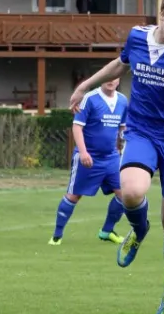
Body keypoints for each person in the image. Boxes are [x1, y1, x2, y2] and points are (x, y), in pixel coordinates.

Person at [68, 0, 164, 314]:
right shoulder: (137, 36)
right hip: (142, 131)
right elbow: (120, 64)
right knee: (130, 191)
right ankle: (138, 230)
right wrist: (85, 86)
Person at [49, 79, 127, 246]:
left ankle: (107, 231)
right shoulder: (89, 98)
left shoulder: (122, 100)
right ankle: (57, 236)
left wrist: (126, 148)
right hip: (89, 157)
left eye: (114, 77)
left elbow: (123, 129)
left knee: (125, 195)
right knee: (74, 196)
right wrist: (83, 152)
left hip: (112, 158)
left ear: (118, 79)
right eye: (107, 77)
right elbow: (77, 127)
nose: (110, 81)